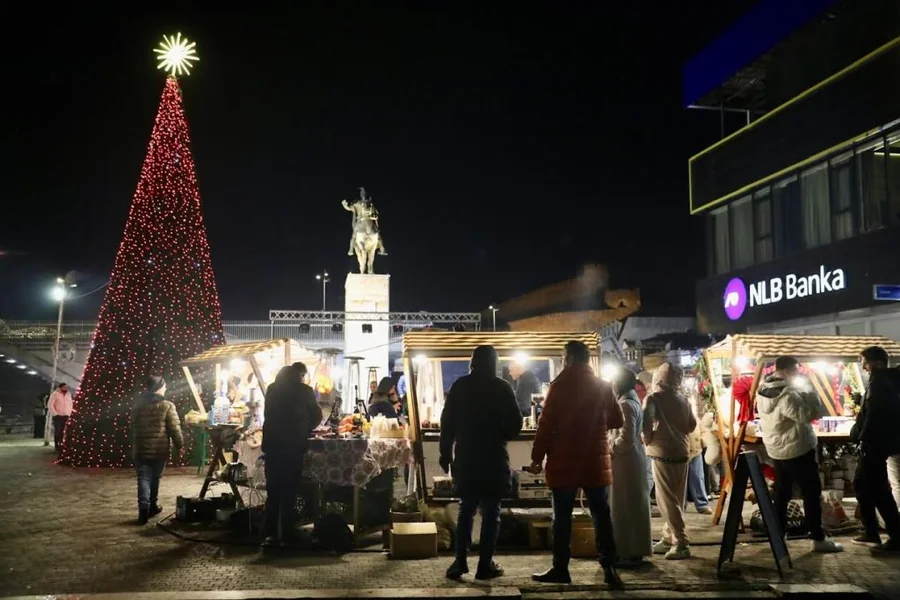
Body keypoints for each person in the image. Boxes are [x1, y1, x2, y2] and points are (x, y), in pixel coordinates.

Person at [531, 342, 625, 587]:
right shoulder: (603, 386)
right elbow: (617, 419)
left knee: (562, 517)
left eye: (563, 357)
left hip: (564, 460)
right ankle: (609, 568)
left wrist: (536, 457)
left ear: (568, 359)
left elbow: (545, 426)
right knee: (601, 515)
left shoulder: (559, 387)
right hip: (595, 460)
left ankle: (561, 568)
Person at [440, 345, 522, 580]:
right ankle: (485, 565)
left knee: (466, 509)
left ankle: (460, 562)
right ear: (494, 363)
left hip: (466, 456)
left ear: (473, 361)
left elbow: (447, 424)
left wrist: (445, 454)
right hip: (494, 457)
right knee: (491, 512)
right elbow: (516, 424)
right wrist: (500, 433)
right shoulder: (502, 387)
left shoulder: (460, 387)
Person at [756, 356, 842, 553]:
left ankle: (778, 535)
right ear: (785, 371)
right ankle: (818, 538)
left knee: (782, 493)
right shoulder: (787, 394)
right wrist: (811, 391)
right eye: (795, 370)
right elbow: (808, 415)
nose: (797, 373)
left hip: (777, 449)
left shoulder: (764, 389)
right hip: (797, 449)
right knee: (811, 493)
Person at [261, 363, 322, 547]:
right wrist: (304, 428)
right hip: (292, 446)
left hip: (272, 446)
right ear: (301, 374)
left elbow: (267, 414)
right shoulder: (304, 390)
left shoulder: (272, 389)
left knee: (273, 491)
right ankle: (287, 532)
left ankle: (270, 534)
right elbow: (317, 416)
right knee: (289, 490)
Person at [642, 363, 695, 560]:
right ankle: (668, 538)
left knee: (666, 501)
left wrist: (648, 439)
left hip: (662, 453)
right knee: (678, 499)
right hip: (682, 451)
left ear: (659, 378)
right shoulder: (683, 399)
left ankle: (681, 542)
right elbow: (692, 425)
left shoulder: (654, 398)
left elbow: (646, 423)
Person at [850, 346, 900, 552]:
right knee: (865, 486)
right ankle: (872, 532)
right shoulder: (885, 380)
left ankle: (893, 536)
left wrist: (863, 439)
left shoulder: (880, 382)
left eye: (864, 361)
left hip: (875, 444)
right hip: (880, 443)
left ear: (877, 363)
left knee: (875, 489)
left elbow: (875, 415)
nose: (863, 366)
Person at [609, 369, 652, 566]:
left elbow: (626, 436)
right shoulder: (633, 401)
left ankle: (629, 550)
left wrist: (611, 448)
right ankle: (634, 549)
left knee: (626, 505)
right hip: (632, 457)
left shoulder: (626, 404)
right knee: (634, 504)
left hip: (626, 459)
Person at [132, 375, 184, 524]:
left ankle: (144, 509)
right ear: (159, 387)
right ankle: (152, 506)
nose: (166, 388)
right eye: (164, 386)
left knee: (143, 478)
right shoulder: (167, 406)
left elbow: (132, 426)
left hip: (141, 449)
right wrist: (179, 445)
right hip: (159, 450)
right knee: (155, 478)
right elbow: (174, 428)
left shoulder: (138, 405)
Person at [686, 422, 712, 515]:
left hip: (695, 447)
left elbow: (700, 424)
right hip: (679, 447)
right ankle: (679, 505)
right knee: (679, 481)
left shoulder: (692, 408)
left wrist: (702, 440)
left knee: (698, 477)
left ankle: (702, 504)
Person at [48, 382, 74, 451]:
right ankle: (57, 445)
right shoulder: (55, 394)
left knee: (64, 431)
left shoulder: (69, 394)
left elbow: (70, 404)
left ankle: (62, 444)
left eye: (66, 387)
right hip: (58, 416)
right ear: (60, 387)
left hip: (66, 415)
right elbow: (50, 404)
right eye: (64, 387)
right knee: (58, 431)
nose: (66, 388)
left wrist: (70, 413)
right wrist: (55, 414)